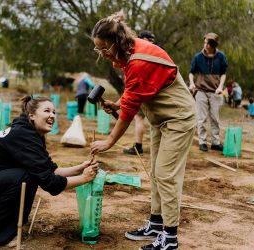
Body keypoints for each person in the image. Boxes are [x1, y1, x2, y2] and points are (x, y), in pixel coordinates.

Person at [90, 12, 196, 250]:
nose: (103, 54)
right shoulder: (130, 54)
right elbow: (135, 93)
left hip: (178, 118)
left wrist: (109, 142)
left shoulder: (138, 60)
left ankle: (170, 237)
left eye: (103, 49)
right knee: (157, 173)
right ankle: (157, 223)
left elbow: (128, 112)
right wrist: (117, 103)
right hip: (161, 119)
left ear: (115, 42)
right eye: (98, 50)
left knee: (166, 174)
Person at [0, 95, 99, 246]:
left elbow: (49, 169)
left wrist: (80, 169)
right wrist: (83, 179)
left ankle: (8, 226)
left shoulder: (29, 133)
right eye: (47, 111)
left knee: (28, 174)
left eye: (54, 112)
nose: (52, 115)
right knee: (23, 177)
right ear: (32, 115)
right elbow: (50, 183)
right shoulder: (23, 135)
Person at [189, 32, 228, 152]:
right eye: (205, 42)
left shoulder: (221, 56)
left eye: (208, 43)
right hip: (201, 91)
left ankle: (215, 142)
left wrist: (220, 87)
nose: (205, 45)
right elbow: (191, 72)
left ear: (213, 45)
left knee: (215, 118)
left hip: (215, 91)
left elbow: (223, 74)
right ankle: (202, 142)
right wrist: (192, 83)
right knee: (201, 118)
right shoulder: (198, 57)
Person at [123, 31, 159, 155]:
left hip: (144, 91)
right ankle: (159, 146)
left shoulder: (142, 52)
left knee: (139, 118)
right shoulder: (159, 51)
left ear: (144, 39)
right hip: (158, 92)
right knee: (157, 121)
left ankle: (138, 146)